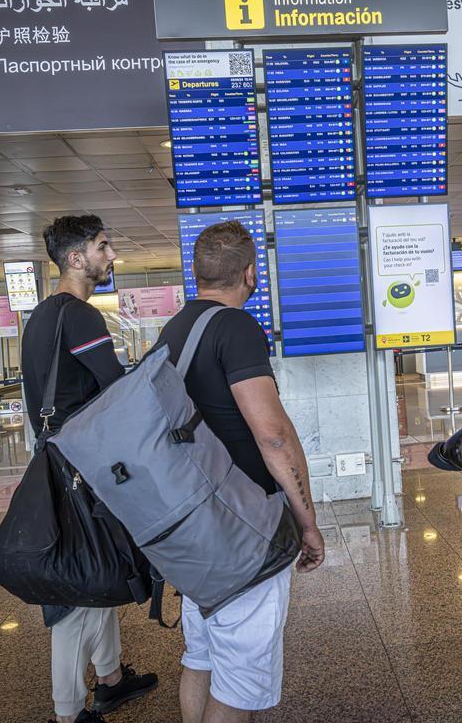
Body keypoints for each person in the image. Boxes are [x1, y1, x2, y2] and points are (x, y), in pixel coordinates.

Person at [154, 220, 325, 723]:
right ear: (251, 274)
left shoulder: (174, 329)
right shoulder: (237, 328)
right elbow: (272, 434)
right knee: (241, 678)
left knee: (202, 656)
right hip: (242, 527)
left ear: (196, 273)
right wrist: (307, 523)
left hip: (192, 521)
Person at [21, 215, 159, 723]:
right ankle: (68, 711)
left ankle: (111, 680)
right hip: (79, 467)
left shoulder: (41, 316)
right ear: (75, 258)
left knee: (96, 569)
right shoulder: (79, 315)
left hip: (57, 459)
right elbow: (115, 389)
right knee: (77, 589)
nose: (111, 256)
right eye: (103, 247)